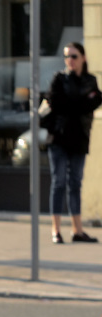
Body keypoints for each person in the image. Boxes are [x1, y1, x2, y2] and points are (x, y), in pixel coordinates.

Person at [46, 41, 102, 244]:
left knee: (75, 183)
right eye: (67, 56)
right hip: (59, 138)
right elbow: (57, 103)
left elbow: (95, 101)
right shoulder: (59, 79)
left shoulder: (90, 80)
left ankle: (77, 230)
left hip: (80, 139)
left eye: (74, 56)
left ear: (83, 58)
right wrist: (81, 101)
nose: (70, 60)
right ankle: (56, 229)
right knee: (59, 182)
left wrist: (74, 103)